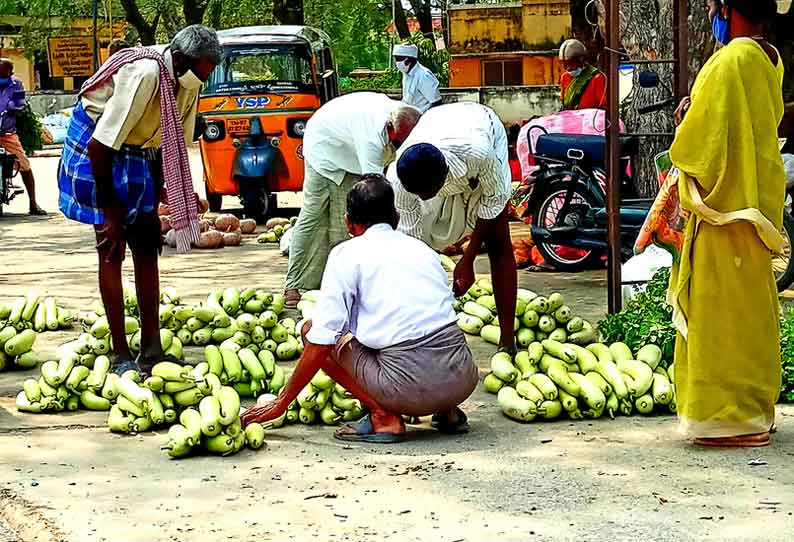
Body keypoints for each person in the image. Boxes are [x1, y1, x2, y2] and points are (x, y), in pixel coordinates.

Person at [243, 175, 478, 443]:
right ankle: (447, 412)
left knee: (311, 330)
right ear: (397, 218)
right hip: (463, 379)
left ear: (348, 223)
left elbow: (321, 339)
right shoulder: (423, 250)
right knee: (420, 329)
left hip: (407, 389)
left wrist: (281, 403)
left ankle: (383, 417)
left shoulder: (346, 255)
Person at [57, 25, 223, 375]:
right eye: (202, 69)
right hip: (97, 145)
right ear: (179, 60)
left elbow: (169, 135)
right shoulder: (145, 74)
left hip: (139, 149)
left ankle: (152, 349)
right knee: (112, 246)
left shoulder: (188, 82)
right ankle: (120, 354)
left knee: (147, 243)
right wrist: (112, 215)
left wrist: (164, 187)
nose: (203, 78)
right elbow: (100, 147)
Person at [668, 0, 785, 447]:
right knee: (752, 316)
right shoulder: (767, 57)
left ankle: (726, 421)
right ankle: (755, 412)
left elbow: (700, 144)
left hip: (724, 211)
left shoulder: (730, 58)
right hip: (755, 206)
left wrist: (685, 121)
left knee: (719, 321)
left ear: (729, 8)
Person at [386, 102, 517, 354]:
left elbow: (493, 203)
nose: (423, 199)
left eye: (428, 193)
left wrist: (467, 259)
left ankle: (507, 340)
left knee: (498, 240)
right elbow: (413, 245)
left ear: (444, 178)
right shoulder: (399, 180)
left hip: (481, 124)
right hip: (439, 123)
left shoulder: (479, 154)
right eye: (418, 194)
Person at [283, 93, 422, 309]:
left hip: (348, 151)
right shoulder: (371, 137)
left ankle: (338, 286)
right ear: (389, 131)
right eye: (396, 143)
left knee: (341, 227)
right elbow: (375, 191)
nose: (398, 148)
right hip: (323, 148)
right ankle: (295, 285)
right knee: (314, 215)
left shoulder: (406, 119)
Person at [0, 58, 46, 215]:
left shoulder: (16, 84)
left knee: (24, 165)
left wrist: (16, 108)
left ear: (10, 72)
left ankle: (33, 204)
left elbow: (21, 103)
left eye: (5, 74)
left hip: (7, 132)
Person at [558, 39, 606, 111]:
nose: (568, 68)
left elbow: (603, 106)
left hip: (590, 120)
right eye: (565, 65)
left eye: (571, 64)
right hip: (569, 119)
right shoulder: (565, 77)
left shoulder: (597, 78)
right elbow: (563, 102)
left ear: (581, 60)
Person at [393, 43, 442, 113]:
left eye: (398, 59)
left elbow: (436, 103)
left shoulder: (424, 75)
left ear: (407, 60)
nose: (396, 63)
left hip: (423, 118)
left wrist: (420, 114)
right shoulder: (406, 74)